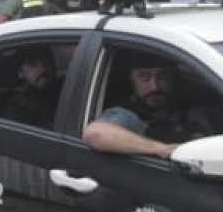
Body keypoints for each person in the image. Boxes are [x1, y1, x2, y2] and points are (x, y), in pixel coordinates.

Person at [83, 58, 215, 159]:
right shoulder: (125, 116)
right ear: (131, 80)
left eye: (163, 77)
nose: (155, 87)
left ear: (173, 79)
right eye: (144, 77)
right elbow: (96, 133)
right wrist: (162, 149)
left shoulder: (192, 113)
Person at [0, 46, 60, 127]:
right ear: (20, 73)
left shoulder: (65, 91)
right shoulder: (17, 107)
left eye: (45, 62)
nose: (42, 69)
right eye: (33, 64)